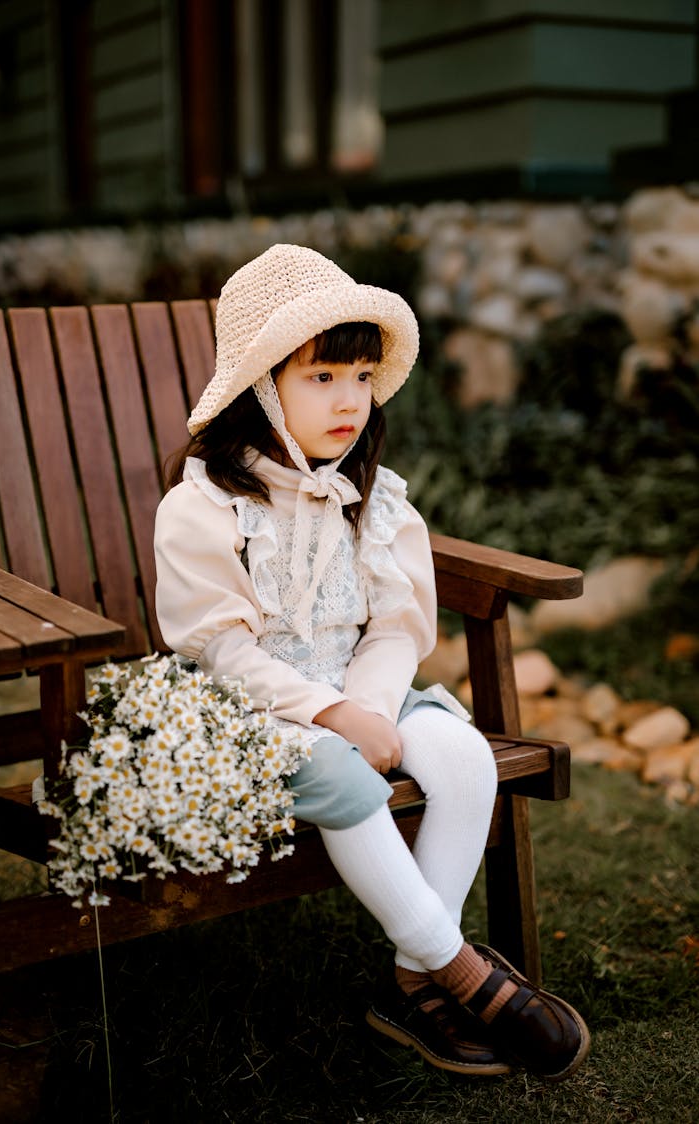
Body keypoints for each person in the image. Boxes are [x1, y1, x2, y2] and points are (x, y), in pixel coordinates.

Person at [154, 243, 590, 1081]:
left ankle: (406, 979)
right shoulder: (203, 507)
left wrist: (373, 707)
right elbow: (221, 649)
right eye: (321, 378)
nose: (350, 399)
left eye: (361, 376)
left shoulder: (377, 501)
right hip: (253, 716)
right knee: (348, 779)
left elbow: (394, 627)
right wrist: (333, 718)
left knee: (463, 757)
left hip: (362, 696)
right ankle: (462, 971)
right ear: (262, 389)